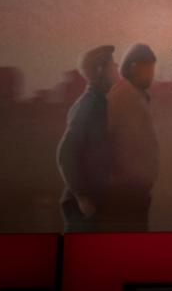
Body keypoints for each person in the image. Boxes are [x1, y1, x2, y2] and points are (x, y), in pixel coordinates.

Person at [56, 45, 116, 232]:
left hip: (99, 199)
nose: (116, 68)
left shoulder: (103, 103)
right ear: (100, 71)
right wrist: (82, 196)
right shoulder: (89, 105)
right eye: (112, 65)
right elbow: (66, 154)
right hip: (87, 205)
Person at [104, 43, 159, 231]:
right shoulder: (123, 95)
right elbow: (114, 138)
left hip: (136, 187)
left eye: (152, 68)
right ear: (133, 67)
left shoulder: (136, 95)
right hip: (125, 188)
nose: (151, 74)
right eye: (147, 68)